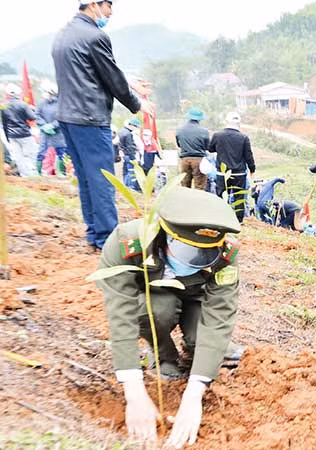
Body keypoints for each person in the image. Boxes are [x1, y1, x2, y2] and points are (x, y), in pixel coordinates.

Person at [96, 187, 243, 448]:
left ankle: (195, 350)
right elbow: (122, 314)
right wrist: (134, 391)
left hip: (195, 297)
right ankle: (165, 356)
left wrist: (194, 394)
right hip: (154, 298)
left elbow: (220, 313)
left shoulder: (225, 253)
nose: (194, 260)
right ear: (165, 233)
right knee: (157, 313)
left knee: (208, 345)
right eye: (186, 251)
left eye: (202, 254)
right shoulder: (128, 243)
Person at [53, 0, 153, 251]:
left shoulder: (63, 34)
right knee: (103, 180)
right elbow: (112, 78)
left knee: (86, 179)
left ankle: (94, 235)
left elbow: (92, 71)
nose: (110, 14)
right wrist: (138, 103)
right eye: (109, 7)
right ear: (95, 5)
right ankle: (108, 240)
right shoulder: (95, 36)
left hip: (68, 116)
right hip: (90, 118)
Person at [209, 111, 255, 222]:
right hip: (239, 173)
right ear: (239, 123)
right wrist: (252, 169)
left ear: (226, 121)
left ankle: (221, 219)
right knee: (239, 197)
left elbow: (210, 148)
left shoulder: (217, 135)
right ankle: (238, 221)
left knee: (221, 195)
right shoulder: (244, 138)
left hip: (222, 173)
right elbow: (248, 155)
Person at [0, 83, 38, 177]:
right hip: (24, 134)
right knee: (29, 154)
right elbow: (32, 118)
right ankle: (31, 173)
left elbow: (4, 124)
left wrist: (7, 137)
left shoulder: (4, 107)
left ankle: (23, 174)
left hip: (12, 135)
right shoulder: (23, 105)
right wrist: (32, 109)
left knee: (18, 156)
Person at [35, 80, 68, 176]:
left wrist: (53, 125)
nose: (45, 94)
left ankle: (62, 172)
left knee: (61, 152)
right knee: (41, 151)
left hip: (58, 132)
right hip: (45, 132)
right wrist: (44, 125)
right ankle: (38, 172)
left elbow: (62, 117)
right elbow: (37, 115)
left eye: (47, 92)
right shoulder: (42, 104)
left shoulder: (60, 104)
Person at [177, 107, 210, 190]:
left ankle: (185, 201)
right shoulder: (204, 131)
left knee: (184, 184)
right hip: (199, 160)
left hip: (185, 159)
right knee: (200, 185)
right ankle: (198, 202)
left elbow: (179, 144)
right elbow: (207, 146)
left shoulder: (180, 130)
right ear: (199, 119)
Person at [118, 118, 141, 191]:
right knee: (131, 172)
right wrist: (133, 158)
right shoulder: (128, 134)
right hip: (129, 155)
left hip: (124, 155)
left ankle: (126, 186)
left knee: (125, 171)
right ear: (132, 125)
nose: (136, 128)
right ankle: (132, 187)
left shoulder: (121, 132)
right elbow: (129, 147)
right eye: (136, 127)